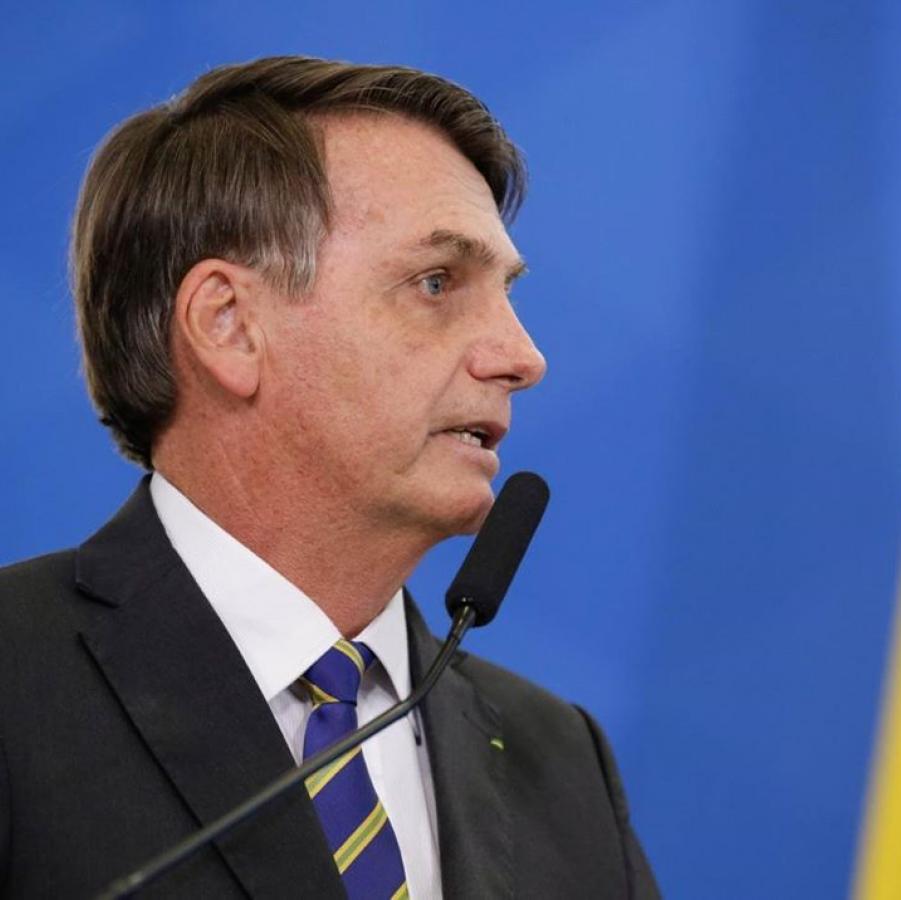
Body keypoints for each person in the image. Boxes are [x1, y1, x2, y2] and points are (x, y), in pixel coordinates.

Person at [0, 56, 659, 899]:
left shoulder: (560, 763)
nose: (523, 357)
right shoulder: (18, 682)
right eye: (436, 283)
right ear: (229, 325)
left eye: (508, 293)